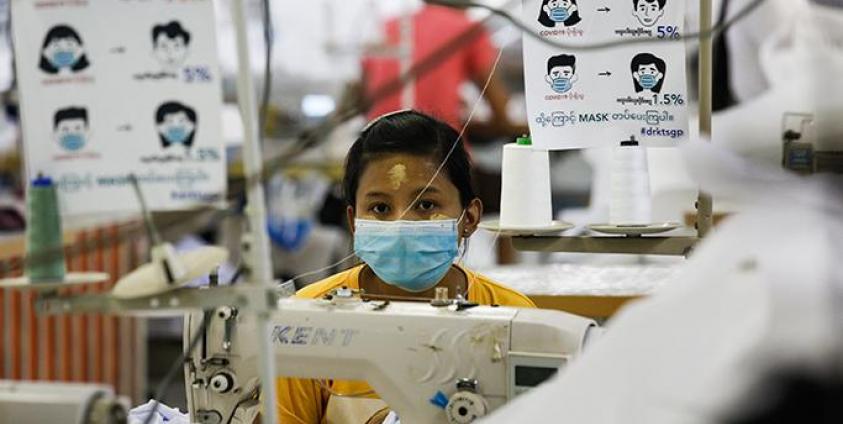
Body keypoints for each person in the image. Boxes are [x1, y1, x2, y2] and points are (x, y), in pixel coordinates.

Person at [275, 110, 536, 424]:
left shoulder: (513, 318)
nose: (401, 223)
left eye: (426, 205)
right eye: (380, 208)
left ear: (469, 217)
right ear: (354, 222)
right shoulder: (306, 322)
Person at [360, 5, 525, 139]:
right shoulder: (467, 29)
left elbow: (364, 99)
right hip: (436, 152)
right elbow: (501, 113)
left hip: (376, 147)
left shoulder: (388, 27)